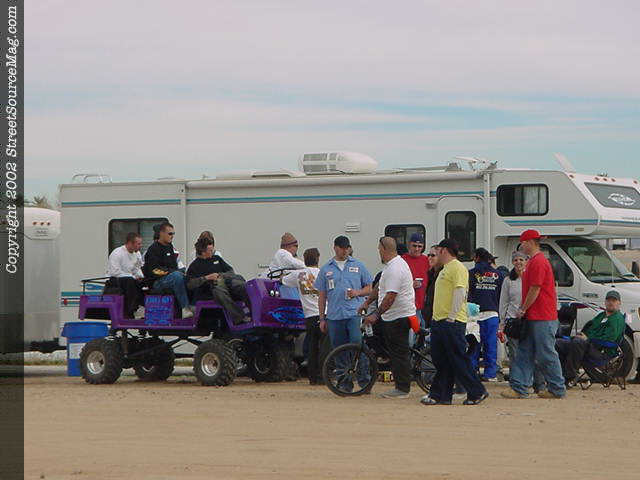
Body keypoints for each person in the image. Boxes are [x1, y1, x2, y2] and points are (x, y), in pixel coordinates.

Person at [421, 239, 488, 406]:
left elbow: (460, 292)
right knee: (442, 359)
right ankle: (441, 395)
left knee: (458, 358)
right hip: (440, 320)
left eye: (438, 250)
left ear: (444, 250)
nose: (436, 254)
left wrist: (452, 315)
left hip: (452, 321)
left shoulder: (457, 268)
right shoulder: (445, 269)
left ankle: (476, 391)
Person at [501, 229, 566, 399]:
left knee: (545, 353)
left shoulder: (538, 262)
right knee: (525, 351)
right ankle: (519, 387)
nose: (521, 246)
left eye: (522, 243)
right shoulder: (534, 261)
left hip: (542, 316)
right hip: (535, 316)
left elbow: (535, 288)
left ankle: (557, 388)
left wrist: (522, 309)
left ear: (529, 242)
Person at [314, 236, 373, 389]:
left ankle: (365, 381)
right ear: (335, 248)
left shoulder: (358, 266)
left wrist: (357, 292)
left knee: (357, 345)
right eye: (342, 248)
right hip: (335, 316)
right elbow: (322, 296)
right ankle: (345, 383)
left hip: (354, 314)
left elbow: (370, 288)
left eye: (347, 248)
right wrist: (322, 318)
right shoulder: (326, 269)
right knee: (338, 350)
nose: (345, 251)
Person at [361, 237, 416, 399]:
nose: (378, 252)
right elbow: (380, 287)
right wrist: (367, 302)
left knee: (399, 353)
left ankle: (402, 388)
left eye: (379, 249)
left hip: (399, 316)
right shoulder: (390, 267)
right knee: (394, 351)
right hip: (392, 316)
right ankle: (399, 383)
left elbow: (390, 296)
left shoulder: (395, 268)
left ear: (384, 249)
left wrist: (375, 314)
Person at [556, 290, 626, 386]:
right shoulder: (601, 315)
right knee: (559, 343)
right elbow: (589, 328)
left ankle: (570, 377)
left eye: (614, 300)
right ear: (605, 302)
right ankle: (559, 376)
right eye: (608, 300)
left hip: (602, 352)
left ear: (619, 303)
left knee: (578, 343)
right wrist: (581, 336)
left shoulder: (617, 319)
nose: (611, 302)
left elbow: (609, 339)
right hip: (588, 345)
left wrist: (588, 339)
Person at [499, 251, 545, 391]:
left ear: (526, 261)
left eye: (521, 260)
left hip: (530, 319)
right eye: (516, 260)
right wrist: (502, 322)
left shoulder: (531, 278)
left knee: (534, 352)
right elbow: (504, 302)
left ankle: (538, 383)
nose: (518, 262)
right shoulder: (508, 280)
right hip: (513, 321)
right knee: (515, 354)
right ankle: (517, 383)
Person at [282, 248, 324, 384]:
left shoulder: (299, 274)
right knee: (324, 347)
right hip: (325, 314)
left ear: (304, 260)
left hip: (310, 316)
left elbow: (283, 281)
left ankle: (313, 378)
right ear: (318, 259)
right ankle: (323, 376)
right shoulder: (323, 273)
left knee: (312, 347)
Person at [186, 237, 249, 324]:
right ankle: (240, 318)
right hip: (210, 289)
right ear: (203, 252)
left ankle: (254, 312)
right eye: (210, 250)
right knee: (219, 291)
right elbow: (190, 284)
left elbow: (231, 271)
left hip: (226, 282)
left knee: (242, 285)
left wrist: (220, 275)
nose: (213, 252)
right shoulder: (195, 266)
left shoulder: (217, 258)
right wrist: (206, 278)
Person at [468, 247, 505, 381]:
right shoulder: (498, 274)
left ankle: (472, 373)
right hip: (492, 314)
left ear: (476, 258)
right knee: (490, 346)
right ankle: (490, 374)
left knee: (474, 345)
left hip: (474, 314)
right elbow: (501, 295)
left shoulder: (471, 273)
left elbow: (468, 294)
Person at [143, 222, 193, 318]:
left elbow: (174, 266)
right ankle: (185, 308)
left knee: (187, 276)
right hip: (156, 282)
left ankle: (193, 305)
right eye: (170, 234)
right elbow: (154, 270)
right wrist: (171, 272)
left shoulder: (169, 247)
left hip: (170, 278)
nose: (172, 236)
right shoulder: (153, 249)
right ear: (161, 233)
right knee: (176, 276)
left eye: (173, 234)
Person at [106, 232, 144, 318]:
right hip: (115, 281)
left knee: (143, 282)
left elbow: (137, 268)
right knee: (130, 281)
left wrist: (141, 277)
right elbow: (115, 272)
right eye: (138, 244)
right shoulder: (117, 253)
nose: (140, 246)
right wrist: (133, 277)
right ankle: (131, 310)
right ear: (130, 243)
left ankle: (142, 307)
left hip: (129, 280)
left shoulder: (137, 254)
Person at [401, 233, 429, 346]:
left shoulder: (426, 260)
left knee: (422, 333)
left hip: (422, 305)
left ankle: (418, 352)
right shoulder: (403, 260)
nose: (417, 249)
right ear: (409, 245)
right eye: (414, 246)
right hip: (408, 306)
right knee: (410, 338)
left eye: (419, 246)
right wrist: (410, 284)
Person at [420, 245, 441, 328]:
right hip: (427, 315)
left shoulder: (443, 274)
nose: (429, 258)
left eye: (433, 255)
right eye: (428, 255)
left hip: (438, 317)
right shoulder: (429, 273)